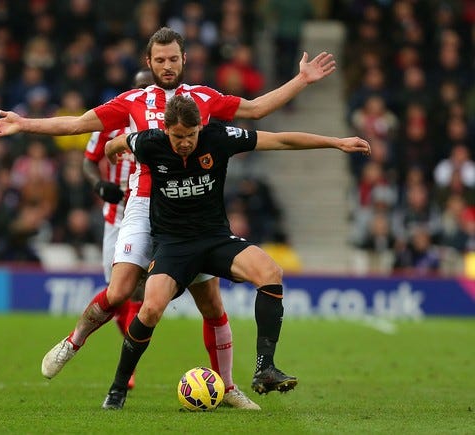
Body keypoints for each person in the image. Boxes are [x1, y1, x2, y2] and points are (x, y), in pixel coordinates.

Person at [0, 27, 336, 409]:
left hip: (193, 216)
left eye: (173, 59)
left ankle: (229, 386)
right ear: (148, 62)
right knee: (120, 292)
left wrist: (301, 80)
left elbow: (255, 109)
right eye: (160, 60)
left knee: (212, 305)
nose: (167, 66)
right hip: (142, 204)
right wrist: (25, 124)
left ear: (185, 59)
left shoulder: (204, 98)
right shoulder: (133, 100)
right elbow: (76, 124)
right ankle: (74, 341)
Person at [100, 95, 371, 409]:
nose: (185, 143)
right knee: (149, 310)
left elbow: (281, 140)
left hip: (215, 238)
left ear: (201, 126)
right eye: (177, 137)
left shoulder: (219, 137)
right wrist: (111, 153)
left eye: (191, 135)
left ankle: (265, 369)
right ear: (166, 130)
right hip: (173, 244)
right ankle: (118, 389)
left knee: (270, 272)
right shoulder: (148, 142)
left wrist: (335, 142)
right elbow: (116, 143)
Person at [82, 69, 154, 389]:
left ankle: (130, 364)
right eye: (138, 85)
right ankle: (130, 352)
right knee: (115, 292)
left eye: (147, 86)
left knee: (138, 289)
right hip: (116, 214)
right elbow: (88, 161)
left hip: (151, 212)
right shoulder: (113, 119)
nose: (142, 91)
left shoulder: (161, 122)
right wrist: (99, 185)